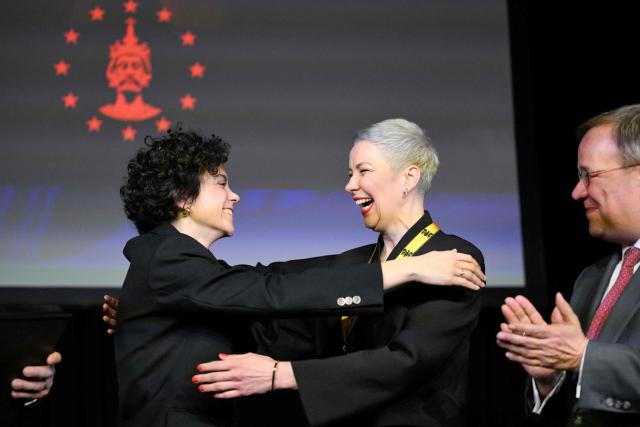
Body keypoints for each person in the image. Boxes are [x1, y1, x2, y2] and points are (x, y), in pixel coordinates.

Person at [113, 127, 484, 427]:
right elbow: (266, 293)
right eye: (349, 173)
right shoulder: (362, 265)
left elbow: (410, 361)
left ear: (409, 177)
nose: (349, 185)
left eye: (363, 171)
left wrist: (280, 373)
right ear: (183, 197)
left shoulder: (451, 259)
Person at [496, 104, 640, 426]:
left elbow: (586, 359)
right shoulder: (591, 279)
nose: (577, 192)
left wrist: (581, 356)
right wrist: (551, 379)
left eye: (588, 175)